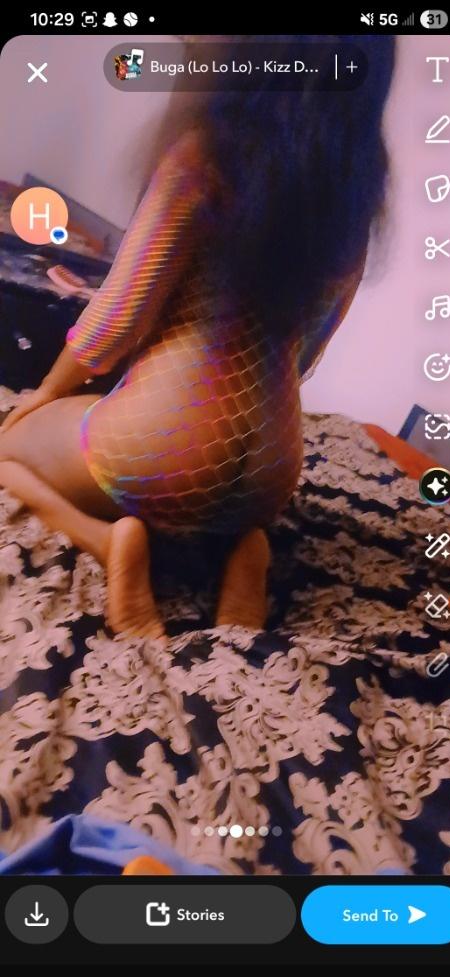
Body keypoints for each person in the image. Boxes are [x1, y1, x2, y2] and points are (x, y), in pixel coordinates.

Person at [0, 35, 395, 643]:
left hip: (158, 451)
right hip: (271, 473)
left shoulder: (207, 154)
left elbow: (113, 327)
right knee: (219, 489)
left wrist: (45, 395)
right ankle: (241, 547)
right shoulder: (353, 196)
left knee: (6, 450)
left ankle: (107, 540)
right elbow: (307, 352)